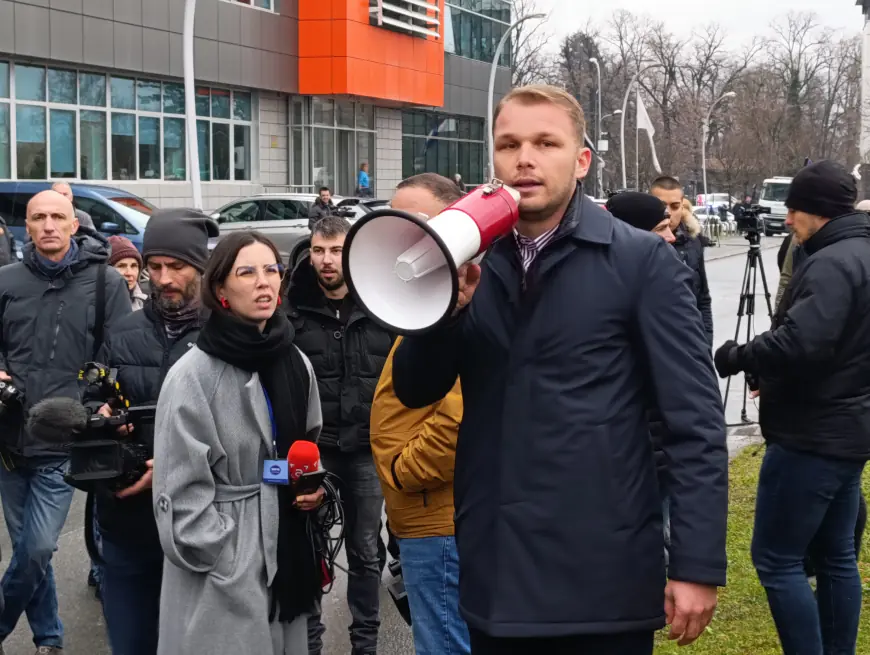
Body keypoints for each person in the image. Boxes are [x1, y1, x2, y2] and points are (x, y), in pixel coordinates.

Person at [392, 84, 728, 655]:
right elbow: (416, 388)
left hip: (602, 579)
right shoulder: (472, 261)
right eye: (509, 144)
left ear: (580, 161)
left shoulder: (641, 261)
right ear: (493, 161)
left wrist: (697, 564)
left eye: (546, 142)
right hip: (496, 572)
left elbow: (694, 422)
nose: (525, 158)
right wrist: (446, 311)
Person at [714, 160, 870, 655]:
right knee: (836, 555)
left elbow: (803, 343)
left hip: (812, 435)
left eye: (795, 209)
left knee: (778, 560)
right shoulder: (860, 251)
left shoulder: (831, 262)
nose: (788, 220)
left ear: (815, 210)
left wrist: (741, 356)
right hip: (849, 431)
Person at [152, 231, 324, 655]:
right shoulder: (194, 374)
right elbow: (179, 488)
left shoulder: (294, 359)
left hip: (287, 544)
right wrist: (224, 552)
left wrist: (312, 487)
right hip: (227, 559)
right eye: (246, 272)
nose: (264, 282)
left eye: (271, 269)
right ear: (220, 289)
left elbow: (309, 443)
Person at [0, 190, 131, 654]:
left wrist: (96, 403)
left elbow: (119, 354)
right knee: (27, 554)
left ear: (75, 225)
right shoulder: (6, 282)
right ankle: (49, 638)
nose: (49, 225)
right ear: (28, 227)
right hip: (10, 442)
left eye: (58, 216)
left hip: (65, 440)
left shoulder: (104, 282)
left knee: (36, 549)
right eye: (39, 218)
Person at [95, 210, 218, 655]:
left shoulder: (225, 335)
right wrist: (102, 415)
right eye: (155, 266)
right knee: (132, 643)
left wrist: (168, 466)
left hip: (198, 524)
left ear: (201, 268)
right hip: (127, 523)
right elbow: (92, 394)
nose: (164, 279)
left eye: (177, 267)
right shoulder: (122, 333)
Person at [370, 173, 470, 655]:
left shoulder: (465, 303)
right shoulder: (427, 300)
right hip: (427, 522)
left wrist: (402, 469)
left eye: (421, 223)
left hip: (440, 523)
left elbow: (464, 407)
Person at [286, 216, 394, 655]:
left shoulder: (385, 302)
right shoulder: (291, 309)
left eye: (336, 250)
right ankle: (309, 641)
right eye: (318, 250)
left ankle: (364, 643)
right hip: (315, 449)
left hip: (368, 448)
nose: (327, 260)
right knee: (309, 544)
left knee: (366, 549)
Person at [650, 176, 714, 346]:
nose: (668, 213)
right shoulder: (637, 244)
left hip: (689, 343)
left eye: (675, 206)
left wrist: (706, 344)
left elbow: (702, 298)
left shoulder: (694, 242)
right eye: (662, 205)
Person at [108, 235, 147, 310]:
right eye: (121, 266)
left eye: (134, 266)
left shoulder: (147, 302)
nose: (129, 273)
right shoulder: (93, 305)